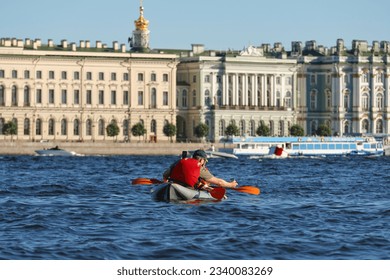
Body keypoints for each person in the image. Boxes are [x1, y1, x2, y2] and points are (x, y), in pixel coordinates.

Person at [163, 149, 238, 189]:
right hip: (186, 190)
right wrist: (231, 185)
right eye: (205, 161)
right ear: (202, 160)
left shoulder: (180, 161)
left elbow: (165, 175)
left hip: (171, 185)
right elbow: (219, 182)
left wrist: (165, 182)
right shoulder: (199, 167)